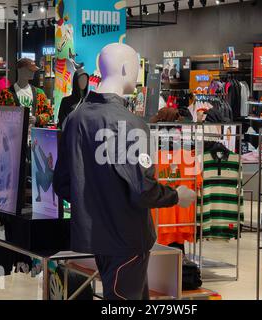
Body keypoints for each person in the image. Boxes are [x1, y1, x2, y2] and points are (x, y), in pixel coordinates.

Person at [53, 43, 196, 300]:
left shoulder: (75, 119)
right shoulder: (133, 125)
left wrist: (96, 204)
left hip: (96, 238)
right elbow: (143, 190)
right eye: (134, 66)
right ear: (123, 68)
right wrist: (177, 196)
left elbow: (63, 184)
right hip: (127, 239)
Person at [32, 139, 56, 207]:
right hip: (43, 180)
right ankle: (39, 196)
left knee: (40, 170)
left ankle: (34, 152)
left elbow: (53, 189)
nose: (48, 159)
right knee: (39, 171)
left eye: (49, 158)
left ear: (51, 161)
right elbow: (42, 154)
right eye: (48, 157)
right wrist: (38, 145)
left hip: (46, 186)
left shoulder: (53, 173)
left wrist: (53, 201)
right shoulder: (46, 161)